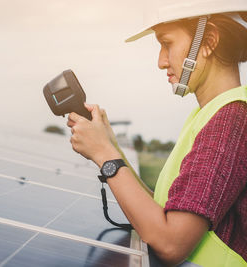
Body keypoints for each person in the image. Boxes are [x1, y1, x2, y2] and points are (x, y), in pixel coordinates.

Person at [66, 1, 247, 266]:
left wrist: (105, 155)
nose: (161, 61)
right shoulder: (211, 114)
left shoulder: (231, 120)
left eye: (167, 43)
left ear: (208, 41)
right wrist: (111, 148)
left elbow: (171, 242)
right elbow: (165, 214)